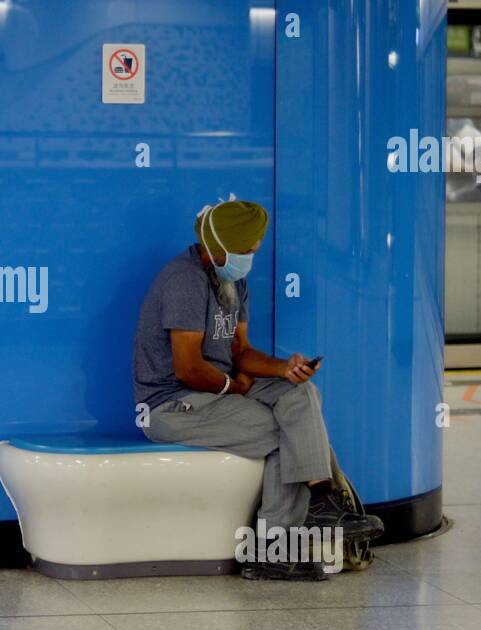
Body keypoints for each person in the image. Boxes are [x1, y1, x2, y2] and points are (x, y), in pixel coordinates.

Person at [131, 200, 383, 581]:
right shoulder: (184, 281)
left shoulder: (231, 279)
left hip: (218, 391)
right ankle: (276, 547)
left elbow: (240, 351)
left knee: (301, 395)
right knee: (285, 432)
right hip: (172, 405)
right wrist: (234, 387)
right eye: (247, 249)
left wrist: (284, 368)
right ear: (219, 247)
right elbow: (188, 368)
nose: (254, 254)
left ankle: (321, 502)